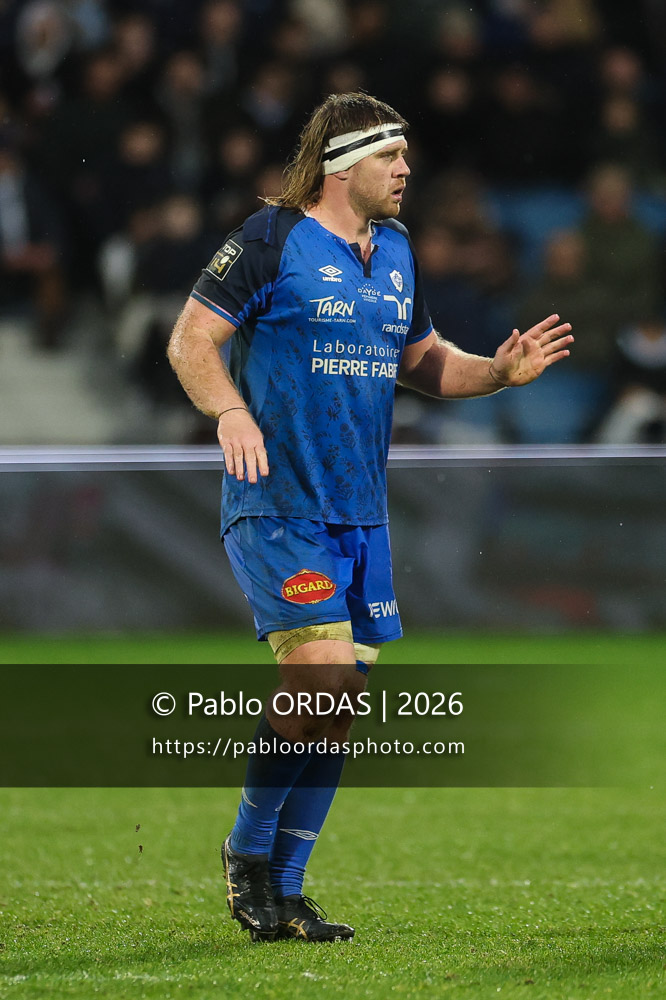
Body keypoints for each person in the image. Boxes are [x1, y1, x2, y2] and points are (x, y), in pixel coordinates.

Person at [167, 91, 573, 944]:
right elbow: (190, 342)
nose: (406, 172)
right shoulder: (270, 239)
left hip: (363, 516)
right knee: (324, 679)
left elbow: (424, 362)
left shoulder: (393, 250)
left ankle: (284, 891)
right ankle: (247, 858)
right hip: (281, 507)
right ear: (345, 161)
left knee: (340, 706)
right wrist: (230, 414)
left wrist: (496, 372)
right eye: (393, 158)